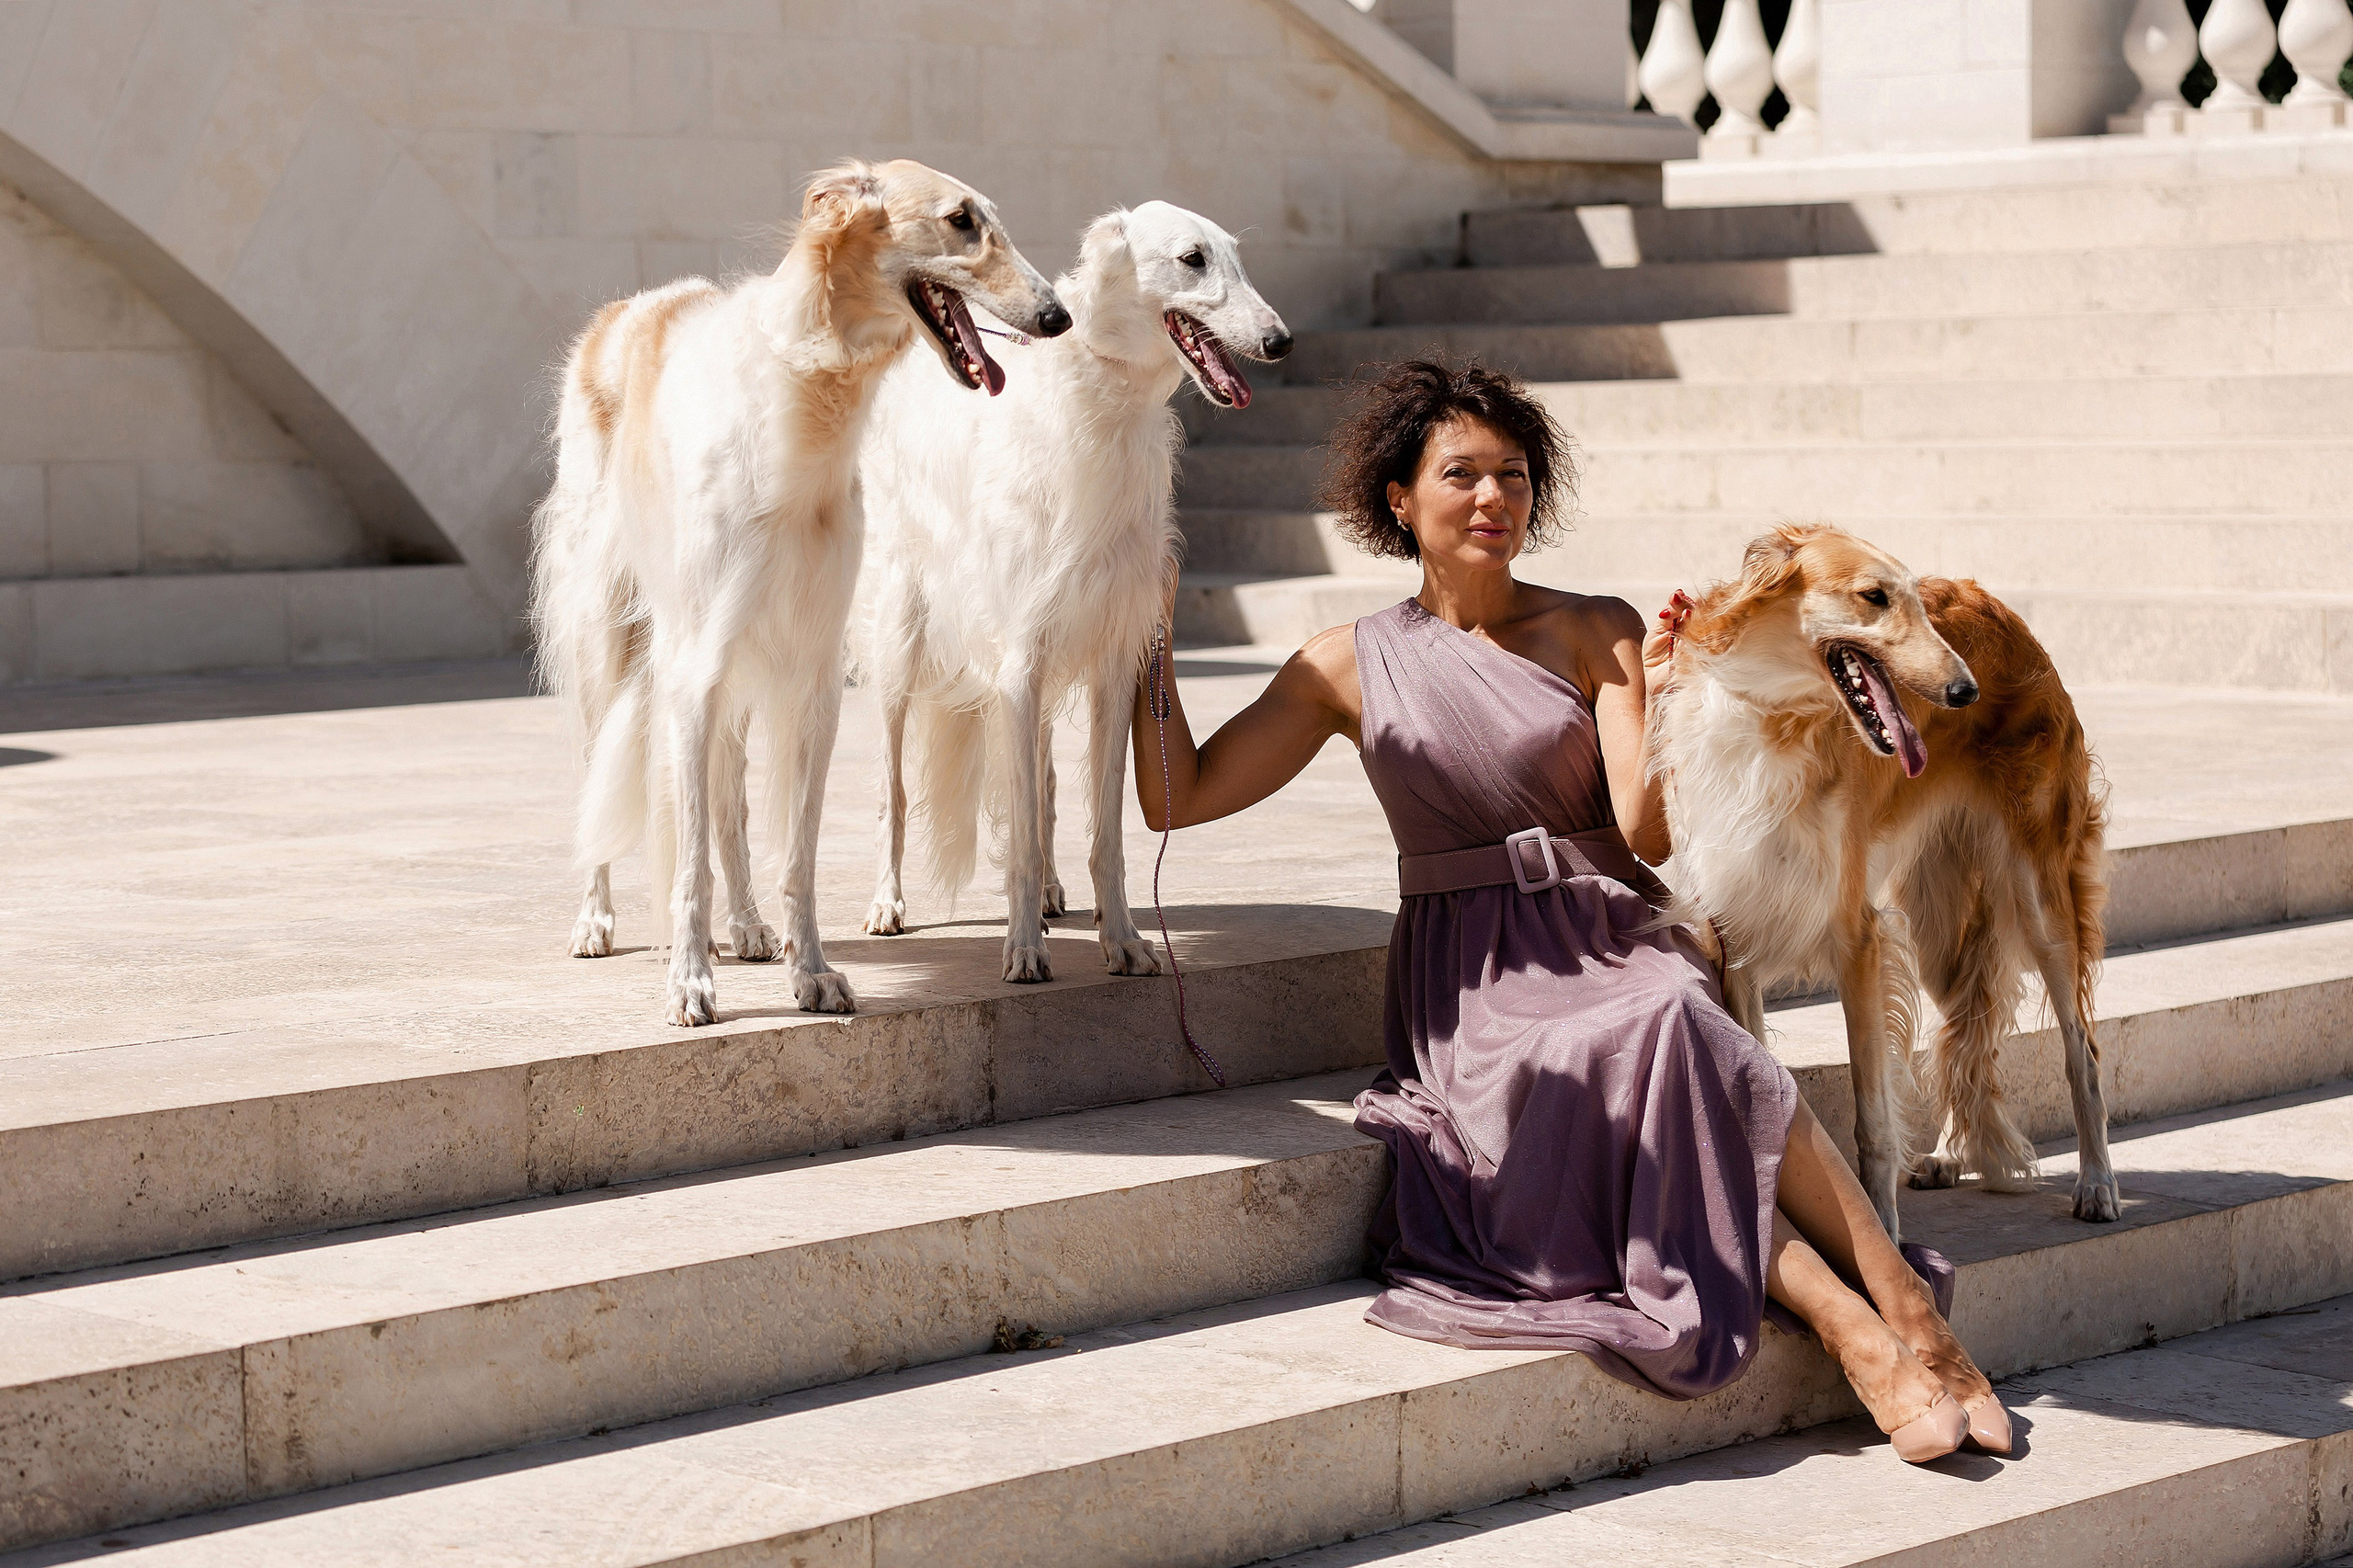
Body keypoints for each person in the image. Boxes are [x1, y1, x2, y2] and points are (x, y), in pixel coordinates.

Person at [1132, 359, 2007, 1462]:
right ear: (1398, 498)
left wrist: (1663, 680)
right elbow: (1178, 792)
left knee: (1668, 1021)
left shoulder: (1598, 625)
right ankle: (1868, 1326)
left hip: (1609, 930)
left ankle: (1903, 1321)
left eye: (1513, 474)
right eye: (1461, 474)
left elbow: (1642, 834)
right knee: (1666, 1040)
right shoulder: (1338, 667)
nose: (1492, 496)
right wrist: (1148, 641)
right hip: (1477, 980)